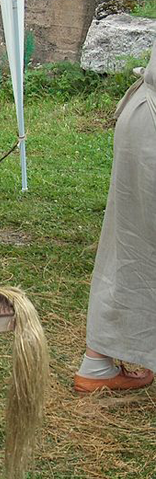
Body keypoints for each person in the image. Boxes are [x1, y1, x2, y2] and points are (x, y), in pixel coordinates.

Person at [74, 41, 156, 393]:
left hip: (144, 119)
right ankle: (96, 364)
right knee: (132, 243)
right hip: (149, 122)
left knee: (131, 244)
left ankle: (97, 362)